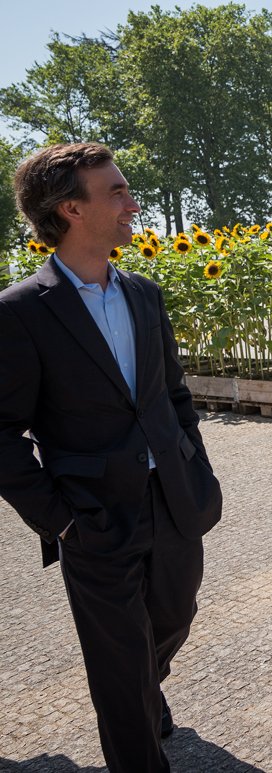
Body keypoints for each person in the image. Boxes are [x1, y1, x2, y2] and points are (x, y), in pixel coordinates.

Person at [0, 142, 223, 772]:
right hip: (93, 516)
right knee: (119, 669)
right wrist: (60, 520)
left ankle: (143, 690)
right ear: (71, 209)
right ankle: (135, 717)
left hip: (173, 500)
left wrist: (195, 467)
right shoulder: (19, 312)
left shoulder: (145, 294)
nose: (133, 203)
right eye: (117, 192)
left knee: (174, 618)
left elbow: (173, 394)